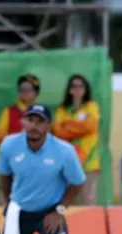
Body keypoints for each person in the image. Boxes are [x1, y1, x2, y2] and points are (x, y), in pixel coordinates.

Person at [0, 104, 85, 234]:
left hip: (50, 209)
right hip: (19, 209)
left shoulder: (64, 151)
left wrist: (59, 210)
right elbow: (4, 176)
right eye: (30, 120)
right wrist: (8, 203)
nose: (34, 125)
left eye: (40, 121)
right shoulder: (9, 145)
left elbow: (78, 183)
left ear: (48, 125)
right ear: (23, 122)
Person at [52, 74, 102, 205]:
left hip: (88, 164)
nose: (77, 89)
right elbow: (58, 132)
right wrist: (79, 127)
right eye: (74, 86)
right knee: (68, 203)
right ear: (69, 90)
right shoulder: (62, 110)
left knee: (87, 202)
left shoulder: (92, 106)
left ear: (86, 90)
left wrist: (68, 124)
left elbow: (90, 126)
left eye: (81, 86)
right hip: (67, 164)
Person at [0, 74, 41, 147]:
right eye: (22, 89)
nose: (25, 92)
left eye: (28, 89)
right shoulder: (9, 111)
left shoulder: (43, 112)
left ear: (36, 92)